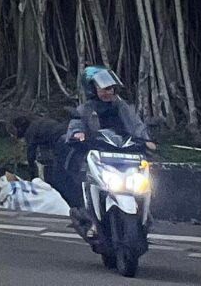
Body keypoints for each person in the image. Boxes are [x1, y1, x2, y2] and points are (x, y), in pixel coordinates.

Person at [55, 66, 152, 227]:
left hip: (123, 154)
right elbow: (76, 123)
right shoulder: (86, 109)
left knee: (147, 180)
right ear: (93, 89)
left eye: (111, 89)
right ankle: (85, 211)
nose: (109, 92)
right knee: (82, 174)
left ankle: (146, 215)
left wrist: (146, 139)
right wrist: (78, 134)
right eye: (104, 89)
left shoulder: (122, 107)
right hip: (98, 153)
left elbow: (136, 125)